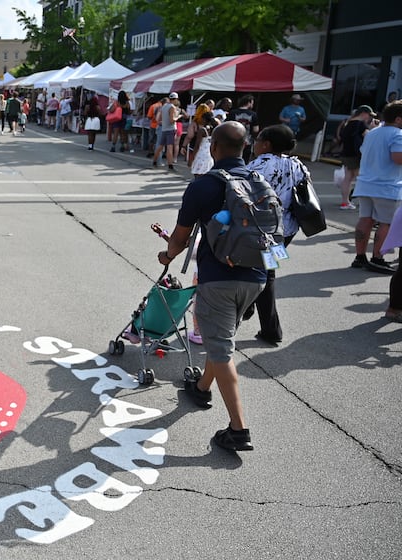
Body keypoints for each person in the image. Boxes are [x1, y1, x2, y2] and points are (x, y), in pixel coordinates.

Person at [157, 121, 264, 452]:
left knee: (220, 347)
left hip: (218, 278)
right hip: (258, 275)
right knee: (221, 337)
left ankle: (238, 429)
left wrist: (168, 255)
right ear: (245, 147)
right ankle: (201, 387)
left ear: (213, 147)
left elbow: (180, 235)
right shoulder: (259, 181)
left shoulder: (203, 186)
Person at [244, 124, 308, 345]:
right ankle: (250, 307)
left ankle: (271, 329)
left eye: (258, 139)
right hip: (287, 230)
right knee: (267, 269)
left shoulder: (259, 165)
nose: (255, 143)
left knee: (264, 273)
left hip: (262, 230)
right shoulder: (298, 165)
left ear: (267, 144)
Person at [351, 100, 402, 274]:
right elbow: (398, 158)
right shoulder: (398, 134)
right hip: (387, 186)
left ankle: (359, 257)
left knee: (365, 219)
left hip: (366, 183)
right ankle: (377, 258)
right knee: (385, 223)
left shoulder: (373, 133)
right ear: (398, 119)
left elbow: (363, 152)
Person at [337, 105, 376, 210]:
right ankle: (363, 201)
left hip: (346, 153)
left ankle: (345, 201)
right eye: (369, 115)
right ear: (363, 113)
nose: (369, 118)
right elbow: (369, 136)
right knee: (361, 178)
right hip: (356, 155)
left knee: (348, 178)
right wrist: (373, 128)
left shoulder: (348, 123)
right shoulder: (360, 124)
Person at [152, 92, 183, 170]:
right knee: (169, 147)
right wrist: (178, 116)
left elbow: (159, 118)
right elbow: (172, 120)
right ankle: (170, 165)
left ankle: (154, 161)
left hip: (164, 128)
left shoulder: (164, 106)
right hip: (170, 129)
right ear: (175, 99)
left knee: (160, 146)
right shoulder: (172, 107)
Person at [227, 95, 260, 161]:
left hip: (232, 141)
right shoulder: (253, 114)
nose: (252, 105)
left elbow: (227, 126)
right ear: (249, 102)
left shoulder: (233, 112)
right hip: (247, 142)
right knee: (244, 161)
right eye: (252, 103)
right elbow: (255, 130)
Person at [190, 110, 218, 177]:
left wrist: (192, 157)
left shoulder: (202, 130)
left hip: (201, 155)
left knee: (197, 174)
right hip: (209, 155)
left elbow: (197, 145)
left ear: (204, 119)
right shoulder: (214, 129)